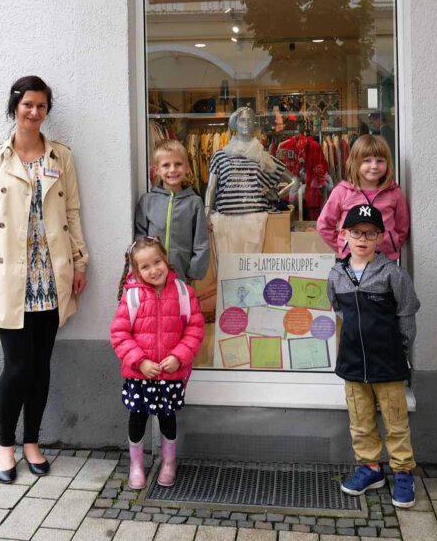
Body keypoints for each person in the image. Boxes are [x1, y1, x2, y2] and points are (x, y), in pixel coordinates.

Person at [0, 75, 90, 484]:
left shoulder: (61, 157)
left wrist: (80, 261)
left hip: (50, 274)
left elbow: (72, 212)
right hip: (8, 274)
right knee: (17, 365)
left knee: (41, 365)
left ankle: (33, 442)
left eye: (41, 106)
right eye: (27, 106)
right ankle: (5, 446)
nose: (34, 113)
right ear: (15, 108)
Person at [327, 204, 421, 508]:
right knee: (360, 420)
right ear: (344, 235)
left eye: (370, 233)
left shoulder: (393, 275)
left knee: (396, 421)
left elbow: (406, 313)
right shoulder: (336, 275)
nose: (362, 239)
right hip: (352, 364)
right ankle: (369, 467)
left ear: (380, 237)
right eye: (356, 232)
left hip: (388, 364)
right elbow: (338, 310)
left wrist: (400, 349)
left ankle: (403, 471)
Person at [110, 236, 205, 489]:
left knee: (167, 417)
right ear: (136, 270)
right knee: (137, 417)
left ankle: (169, 462)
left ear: (166, 260)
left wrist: (179, 357)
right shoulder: (132, 298)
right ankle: (137, 465)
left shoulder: (184, 293)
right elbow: (119, 334)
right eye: (145, 266)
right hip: (140, 375)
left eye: (157, 262)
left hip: (170, 374)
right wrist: (139, 362)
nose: (153, 270)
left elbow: (195, 329)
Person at [205, 106, 299, 255]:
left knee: (254, 272)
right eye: (242, 120)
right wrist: (207, 212)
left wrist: (277, 195)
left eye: (250, 120)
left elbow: (295, 181)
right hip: (225, 222)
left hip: (255, 221)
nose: (246, 124)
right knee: (228, 271)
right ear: (235, 123)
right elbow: (211, 188)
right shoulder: (220, 156)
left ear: (254, 124)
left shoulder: (263, 157)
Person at [317, 134, 408, 261]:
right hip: (352, 260)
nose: (374, 166)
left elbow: (402, 227)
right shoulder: (341, 192)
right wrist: (343, 245)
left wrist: (393, 244)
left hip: (385, 260)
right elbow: (324, 224)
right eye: (367, 160)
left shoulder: (394, 193)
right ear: (355, 163)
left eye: (380, 160)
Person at [134, 139, 209, 282]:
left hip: (182, 274)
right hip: (152, 274)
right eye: (166, 165)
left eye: (178, 164)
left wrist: (193, 271)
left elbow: (201, 242)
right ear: (156, 170)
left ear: (187, 167)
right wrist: (141, 266)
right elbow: (140, 238)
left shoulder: (194, 202)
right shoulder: (148, 201)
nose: (173, 170)